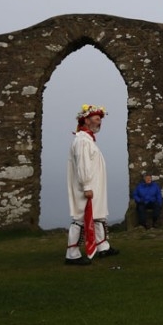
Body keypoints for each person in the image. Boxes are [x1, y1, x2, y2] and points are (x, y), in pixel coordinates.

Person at [65, 104, 119, 265]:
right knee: (81, 218)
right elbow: (83, 165)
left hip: (95, 186)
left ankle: (102, 246)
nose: (99, 122)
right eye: (96, 119)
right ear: (86, 120)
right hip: (87, 187)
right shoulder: (82, 141)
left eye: (100, 119)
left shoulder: (88, 140)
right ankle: (72, 253)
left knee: (97, 215)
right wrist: (87, 186)